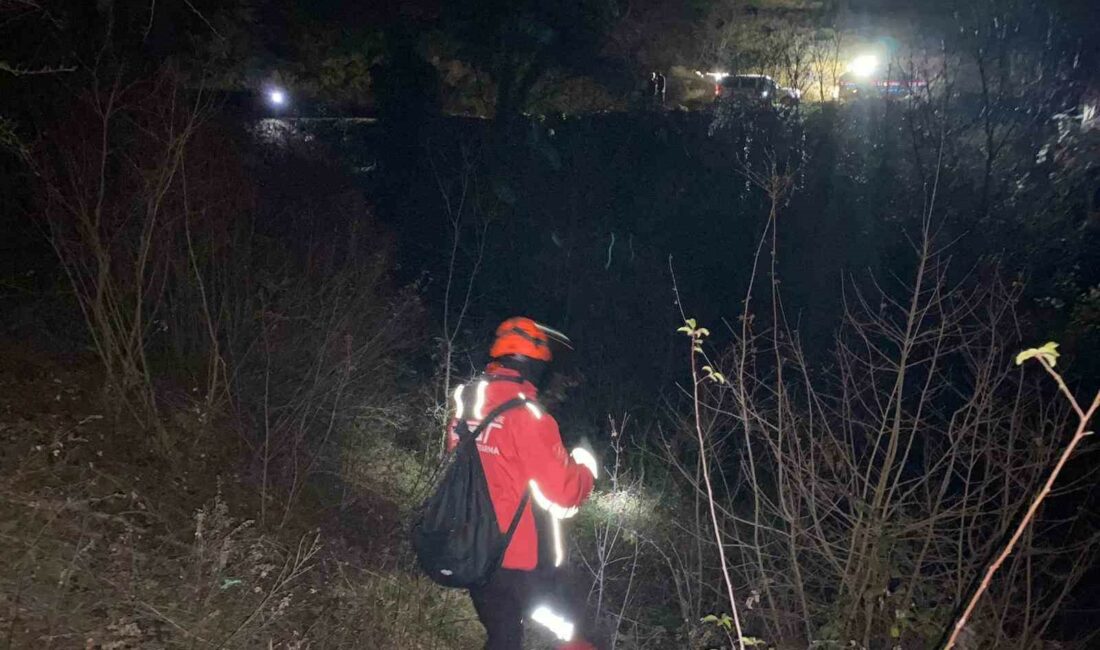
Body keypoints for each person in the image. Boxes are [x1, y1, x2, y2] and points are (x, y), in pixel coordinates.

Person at [448, 317, 599, 650]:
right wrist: (586, 467)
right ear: (533, 365)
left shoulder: (467, 400)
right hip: (520, 562)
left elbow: (463, 458)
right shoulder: (529, 418)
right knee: (579, 632)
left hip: (472, 548)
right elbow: (565, 493)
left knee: (503, 637)